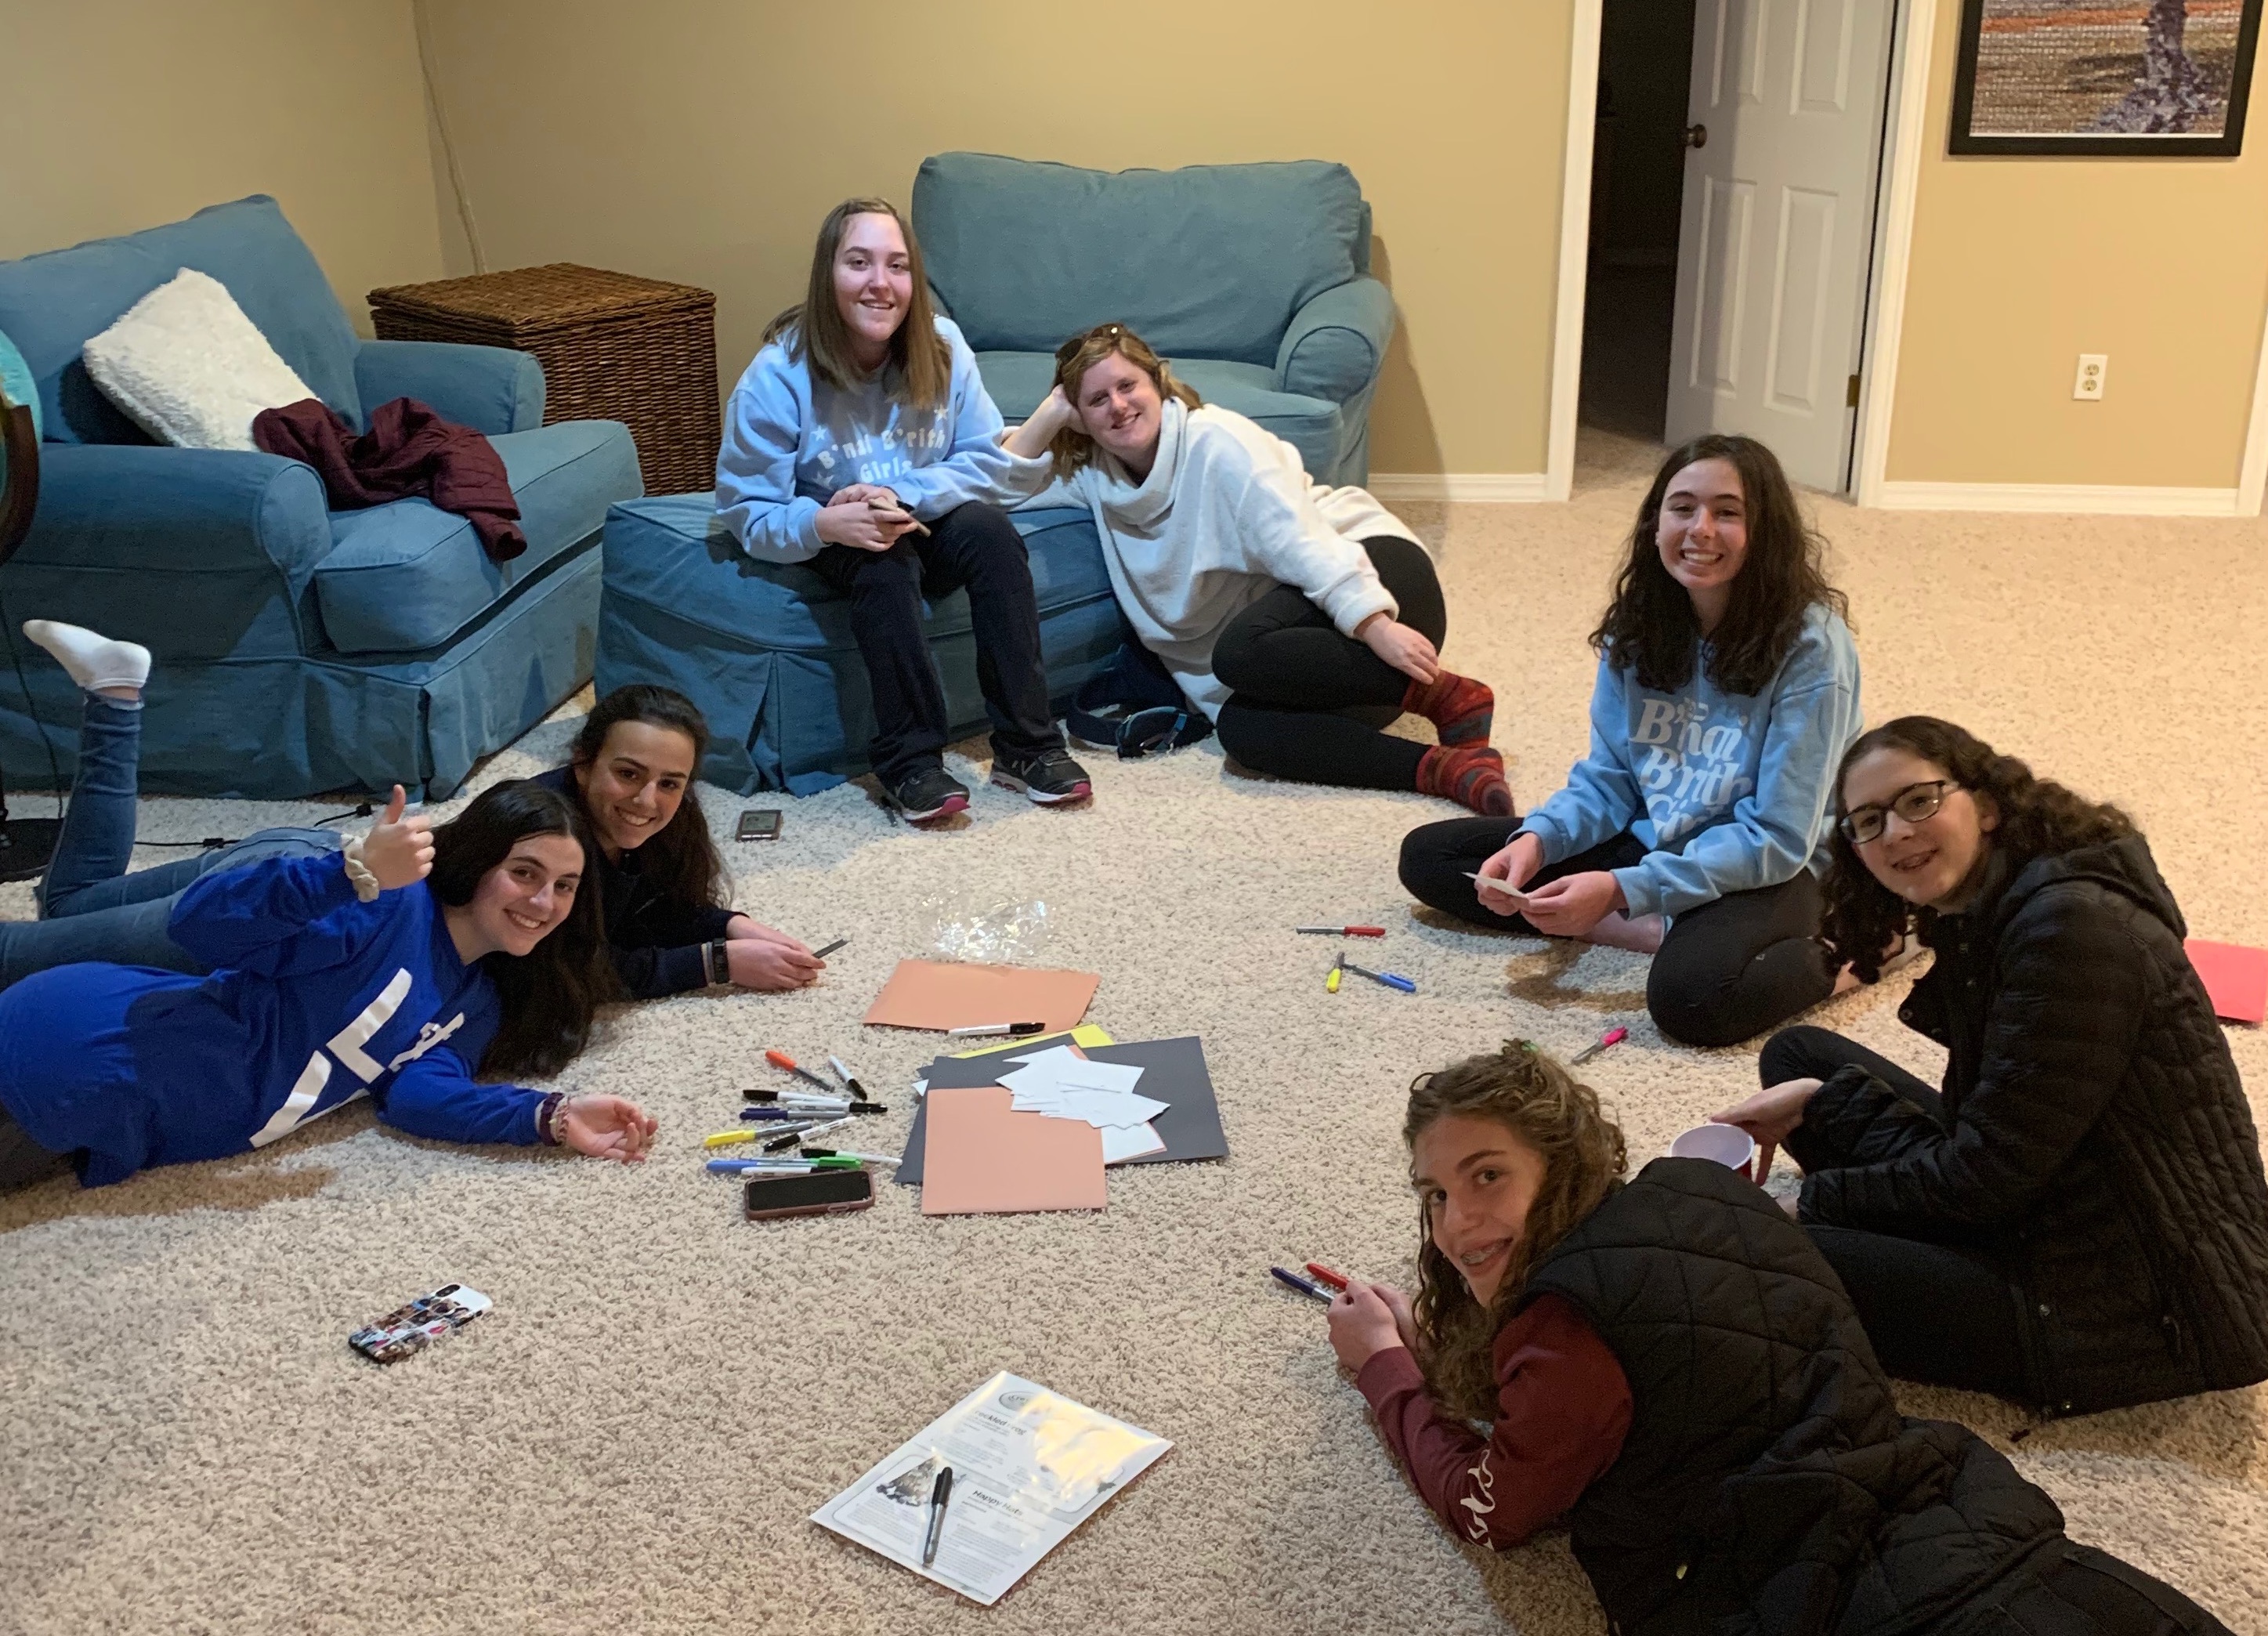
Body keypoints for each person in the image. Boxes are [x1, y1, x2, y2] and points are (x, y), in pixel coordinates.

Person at [1324, 1042, 2234, 1636]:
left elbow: (1494, 1511)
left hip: (1802, 1598)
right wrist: (1439, 1344)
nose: (1455, 1221)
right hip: (1956, 1518)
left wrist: (1390, 1375)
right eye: (1436, 1193)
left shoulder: (1563, 1337)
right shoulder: (1704, 1187)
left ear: (1557, 1166)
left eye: (1486, 1175)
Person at [1711, 717, 2268, 1417]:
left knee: (1756, 1250)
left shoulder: (2069, 931)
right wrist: (1816, 1104)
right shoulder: (1998, 904)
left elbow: (1984, 1178)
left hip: (2143, 1299)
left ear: (1989, 804)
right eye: (1868, 820)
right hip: (2051, 1183)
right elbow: (1996, 1134)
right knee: (1798, 1059)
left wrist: (1810, 1205)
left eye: (1919, 801)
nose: (1895, 834)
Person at [0, 623, 816, 999]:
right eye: (629, 775)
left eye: (670, 784)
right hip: (296, 905)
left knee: (69, 907)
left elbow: (645, 908)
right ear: (581, 763)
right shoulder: (547, 834)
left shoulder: (627, 833)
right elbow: (566, 969)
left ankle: (115, 692)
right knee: (21, 958)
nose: (648, 802)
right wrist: (710, 965)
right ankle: (115, 692)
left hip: (308, 863)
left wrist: (726, 924)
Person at [1398, 434, 1862, 1048]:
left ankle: (1868, 948)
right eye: (1682, 508)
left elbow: (1777, 837)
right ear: (1654, 523)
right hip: (1653, 840)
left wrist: (1623, 890)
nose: (1700, 529)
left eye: (1727, 512)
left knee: (1690, 1000)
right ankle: (1651, 922)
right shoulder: (1638, 625)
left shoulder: (1812, 650)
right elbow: (1610, 778)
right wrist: (1538, 841)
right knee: (1432, 859)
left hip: (1771, 866)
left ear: (1766, 532)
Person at [0, 776, 656, 1193]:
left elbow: (421, 1096)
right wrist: (351, 872)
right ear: (481, 862)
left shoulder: (474, 1004)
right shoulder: (388, 907)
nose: (544, 902)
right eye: (525, 873)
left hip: (106, 1107)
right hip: (72, 1052)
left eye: (563, 886)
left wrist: (549, 1117)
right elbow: (201, 925)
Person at [998, 324, 1508, 814]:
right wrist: (1048, 414)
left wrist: (1374, 625)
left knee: (1239, 652)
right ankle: (1446, 771)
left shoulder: (1216, 440)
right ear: (1080, 418)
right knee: (1241, 733)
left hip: (1378, 582)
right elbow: (993, 489)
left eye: (1127, 385)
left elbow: (1299, 538)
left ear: (1157, 380)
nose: (1119, 406)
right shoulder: (1092, 474)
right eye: (1095, 400)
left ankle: (1447, 695)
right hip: (1325, 671)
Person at [714, 197, 1091, 822]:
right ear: (826, 274)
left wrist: (899, 495)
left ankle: (1027, 747)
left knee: (991, 532)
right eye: (858, 263)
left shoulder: (942, 348)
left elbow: (983, 461)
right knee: (882, 558)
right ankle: (909, 761)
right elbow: (747, 511)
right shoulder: (778, 372)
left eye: (896, 266)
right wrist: (824, 522)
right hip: (828, 530)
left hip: (921, 512)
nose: (879, 283)